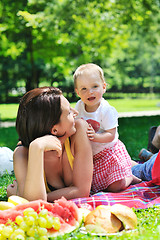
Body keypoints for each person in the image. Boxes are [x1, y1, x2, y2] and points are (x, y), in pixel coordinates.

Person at [7, 86, 93, 202]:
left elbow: (82, 191)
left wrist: (23, 196)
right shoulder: (23, 154)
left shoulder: (79, 130)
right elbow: (35, 205)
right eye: (68, 112)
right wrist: (37, 148)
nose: (76, 112)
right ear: (55, 130)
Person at [73, 63, 141, 193]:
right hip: (92, 156)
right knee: (98, 185)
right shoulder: (80, 106)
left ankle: (128, 178)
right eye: (84, 89)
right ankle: (127, 175)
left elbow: (111, 135)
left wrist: (96, 137)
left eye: (94, 86)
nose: (90, 92)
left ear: (103, 87)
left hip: (109, 152)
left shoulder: (106, 110)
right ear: (77, 92)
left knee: (116, 187)